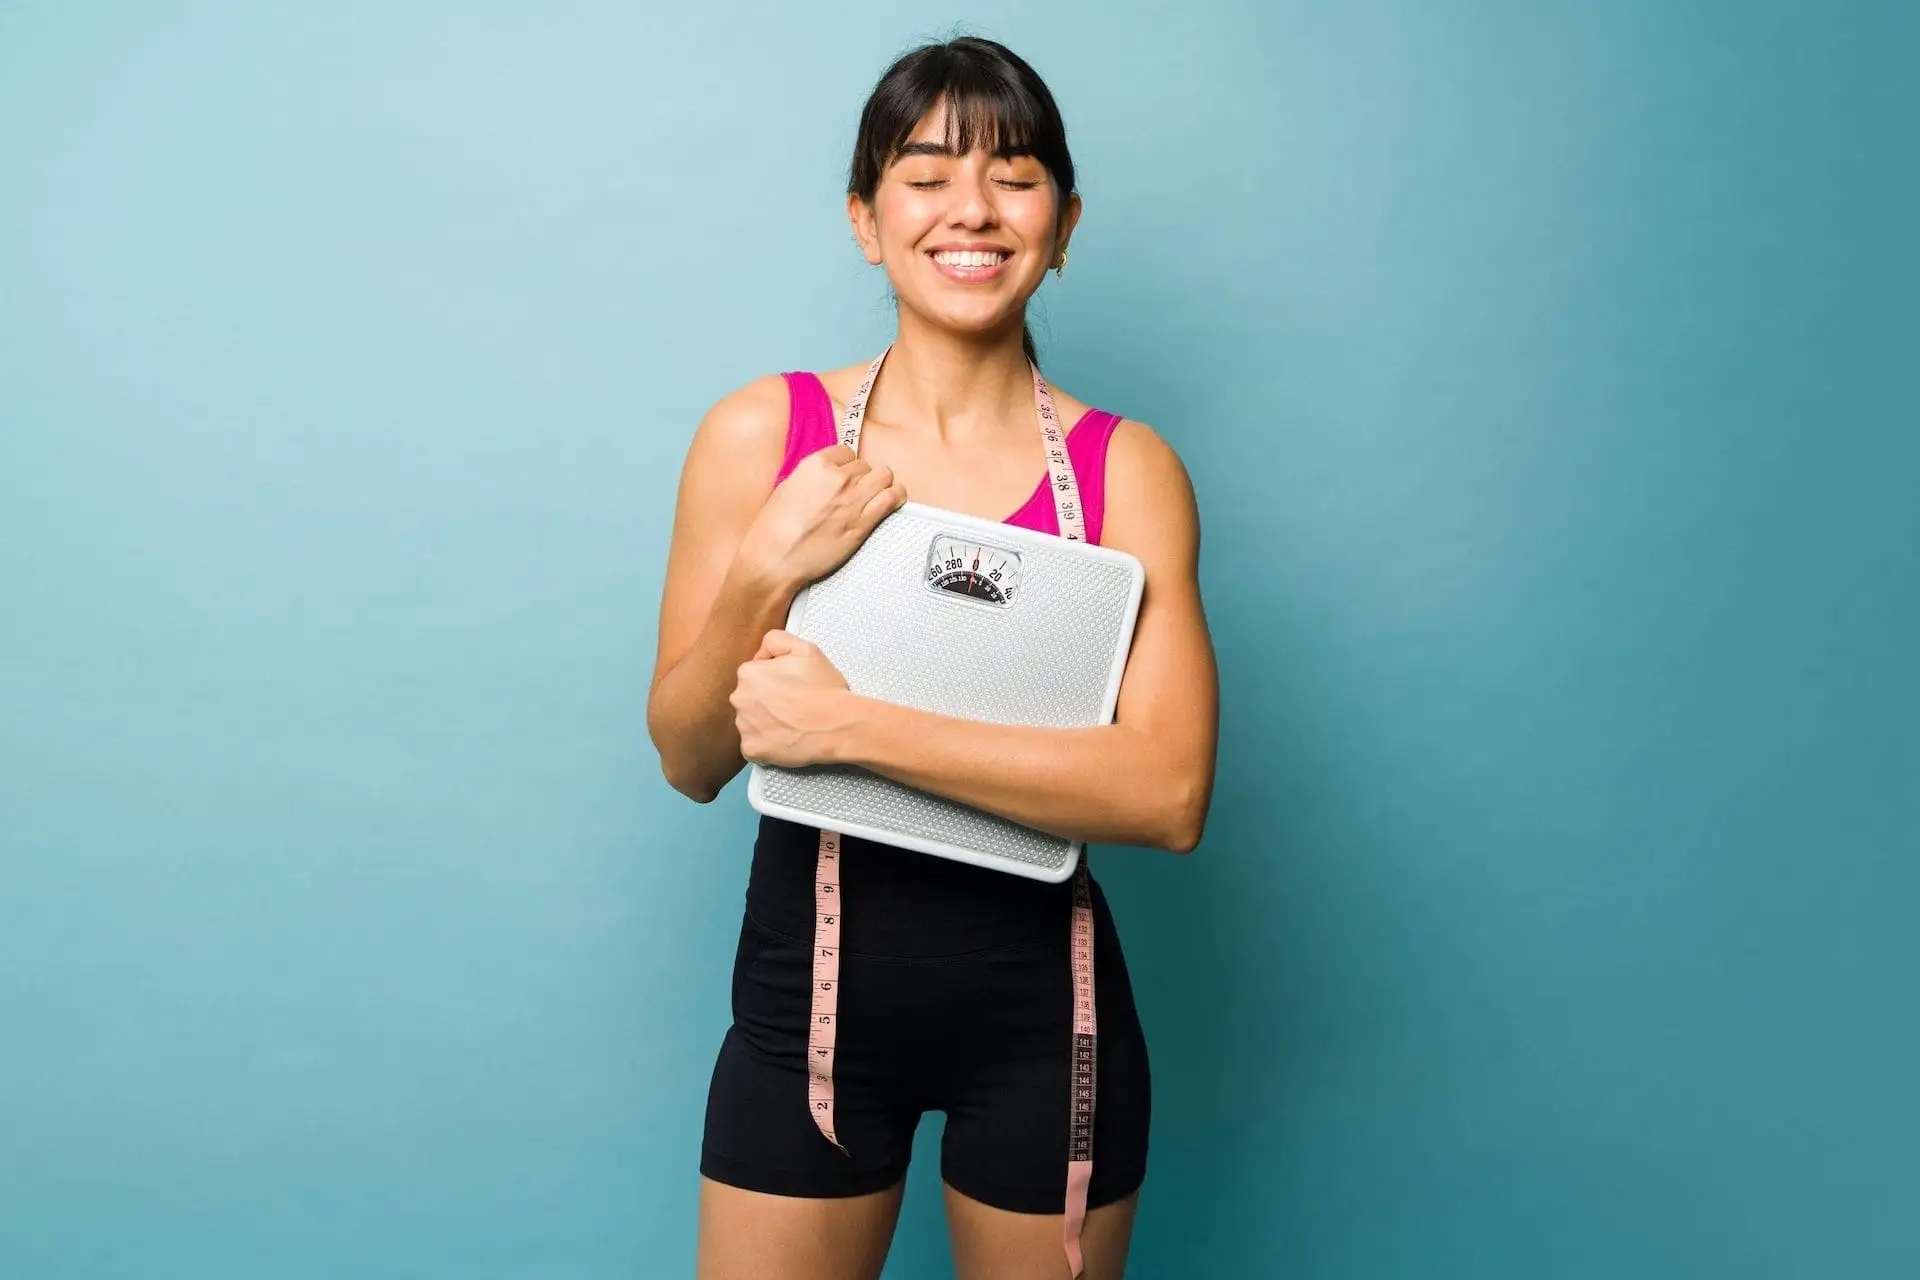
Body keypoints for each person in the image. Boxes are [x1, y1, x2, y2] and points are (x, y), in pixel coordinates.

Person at [647, 35, 1219, 1280]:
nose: (973, 209)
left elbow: (1169, 794)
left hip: (1049, 1029)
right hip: (808, 1010)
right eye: (926, 174)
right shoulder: (764, 435)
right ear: (865, 219)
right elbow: (690, 755)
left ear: (1062, 225)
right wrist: (764, 570)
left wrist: (853, 728)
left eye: (1015, 176)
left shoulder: (1130, 474)